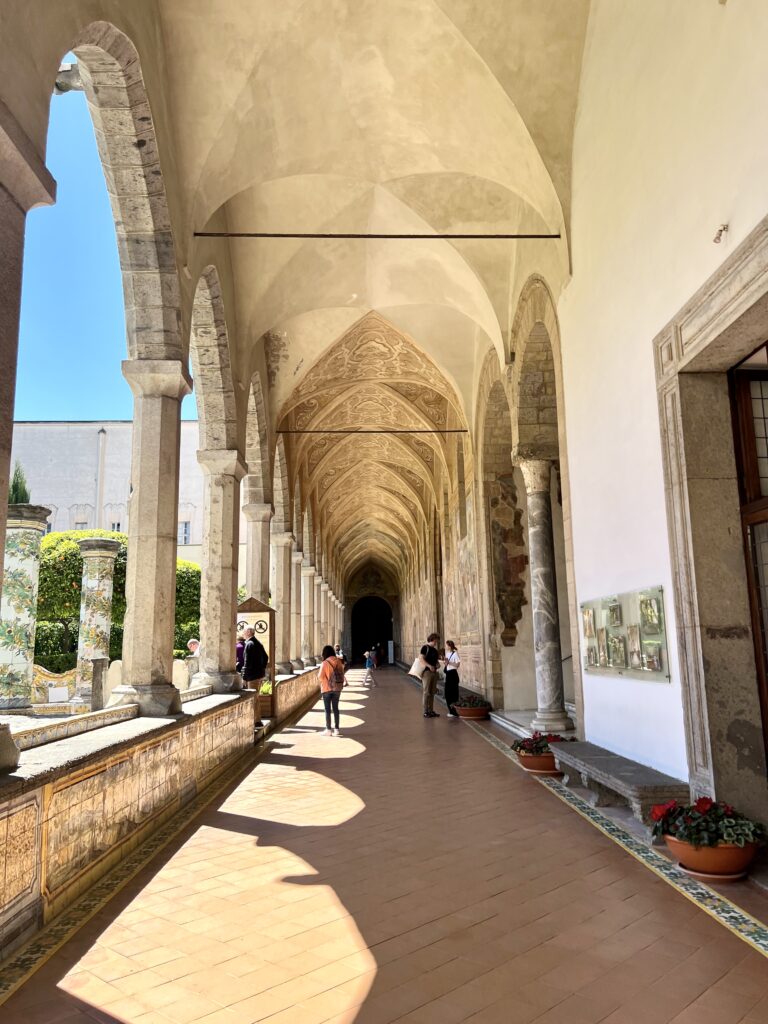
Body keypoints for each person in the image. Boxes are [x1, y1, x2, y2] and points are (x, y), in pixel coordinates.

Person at [318, 644, 346, 736]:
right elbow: (342, 673)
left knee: (327, 710)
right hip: (337, 688)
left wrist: (327, 681)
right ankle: (337, 729)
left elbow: (320, 677)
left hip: (326, 689)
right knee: (336, 708)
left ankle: (328, 729)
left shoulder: (325, 663)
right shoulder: (338, 661)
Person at [420, 633, 441, 718]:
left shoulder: (435, 650)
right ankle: (425, 711)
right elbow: (421, 659)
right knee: (426, 692)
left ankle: (431, 710)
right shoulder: (425, 648)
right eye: (436, 640)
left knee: (432, 692)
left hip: (434, 673)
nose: (437, 642)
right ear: (432, 639)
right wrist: (429, 666)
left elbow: (436, 661)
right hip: (427, 673)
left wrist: (437, 664)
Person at [444, 640, 460, 717]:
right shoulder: (447, 654)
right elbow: (447, 664)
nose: (446, 646)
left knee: (453, 693)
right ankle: (451, 710)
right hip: (448, 674)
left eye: (446, 645)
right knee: (447, 693)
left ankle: (454, 711)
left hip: (453, 674)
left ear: (450, 646)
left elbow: (457, 665)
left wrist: (448, 663)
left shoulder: (455, 653)